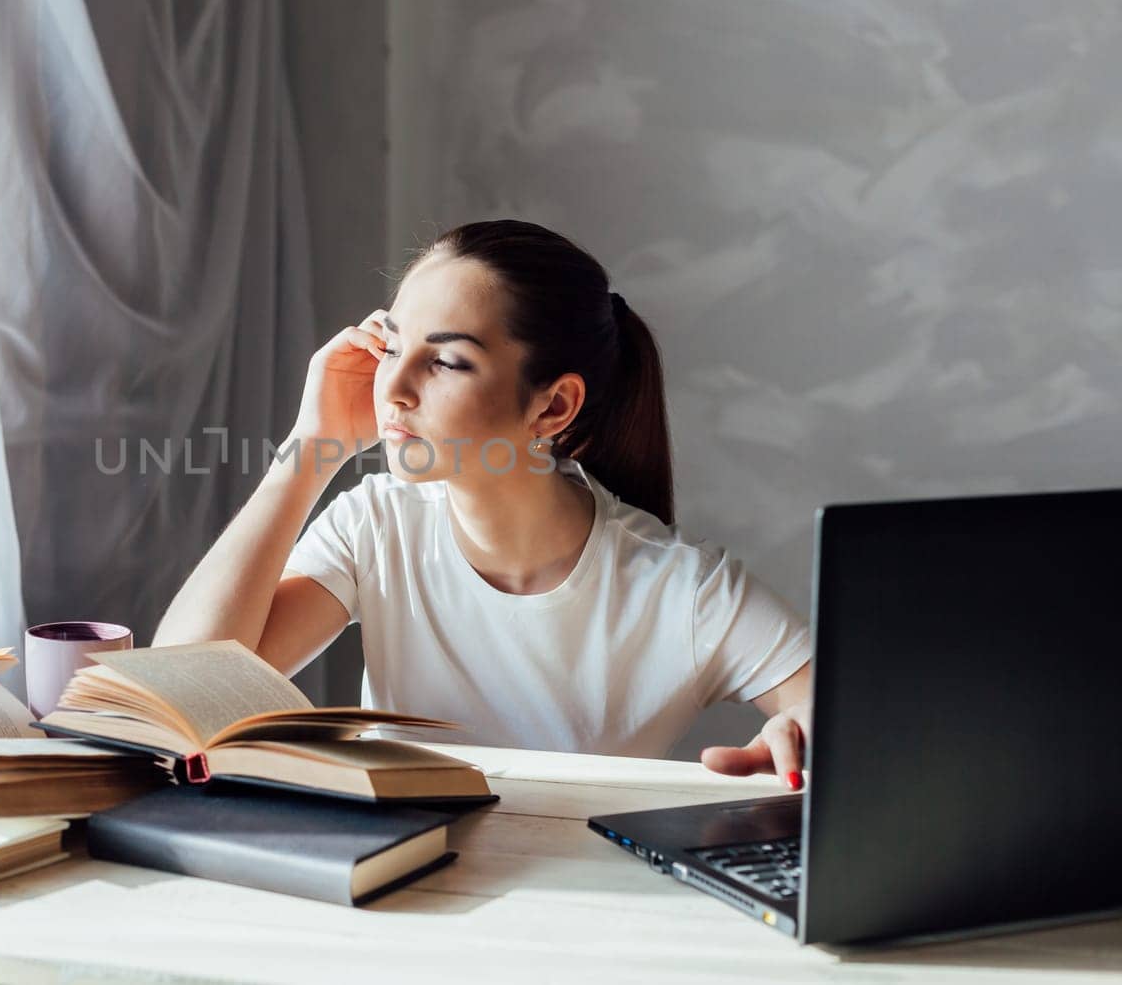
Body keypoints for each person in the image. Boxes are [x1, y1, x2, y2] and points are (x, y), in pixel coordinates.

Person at [154, 220, 812, 790]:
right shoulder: (378, 524)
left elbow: (851, 721)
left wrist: (804, 737)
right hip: (393, 904)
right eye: (390, 346)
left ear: (553, 405)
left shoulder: (681, 588)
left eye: (443, 360)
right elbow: (185, 691)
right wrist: (309, 450)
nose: (395, 388)